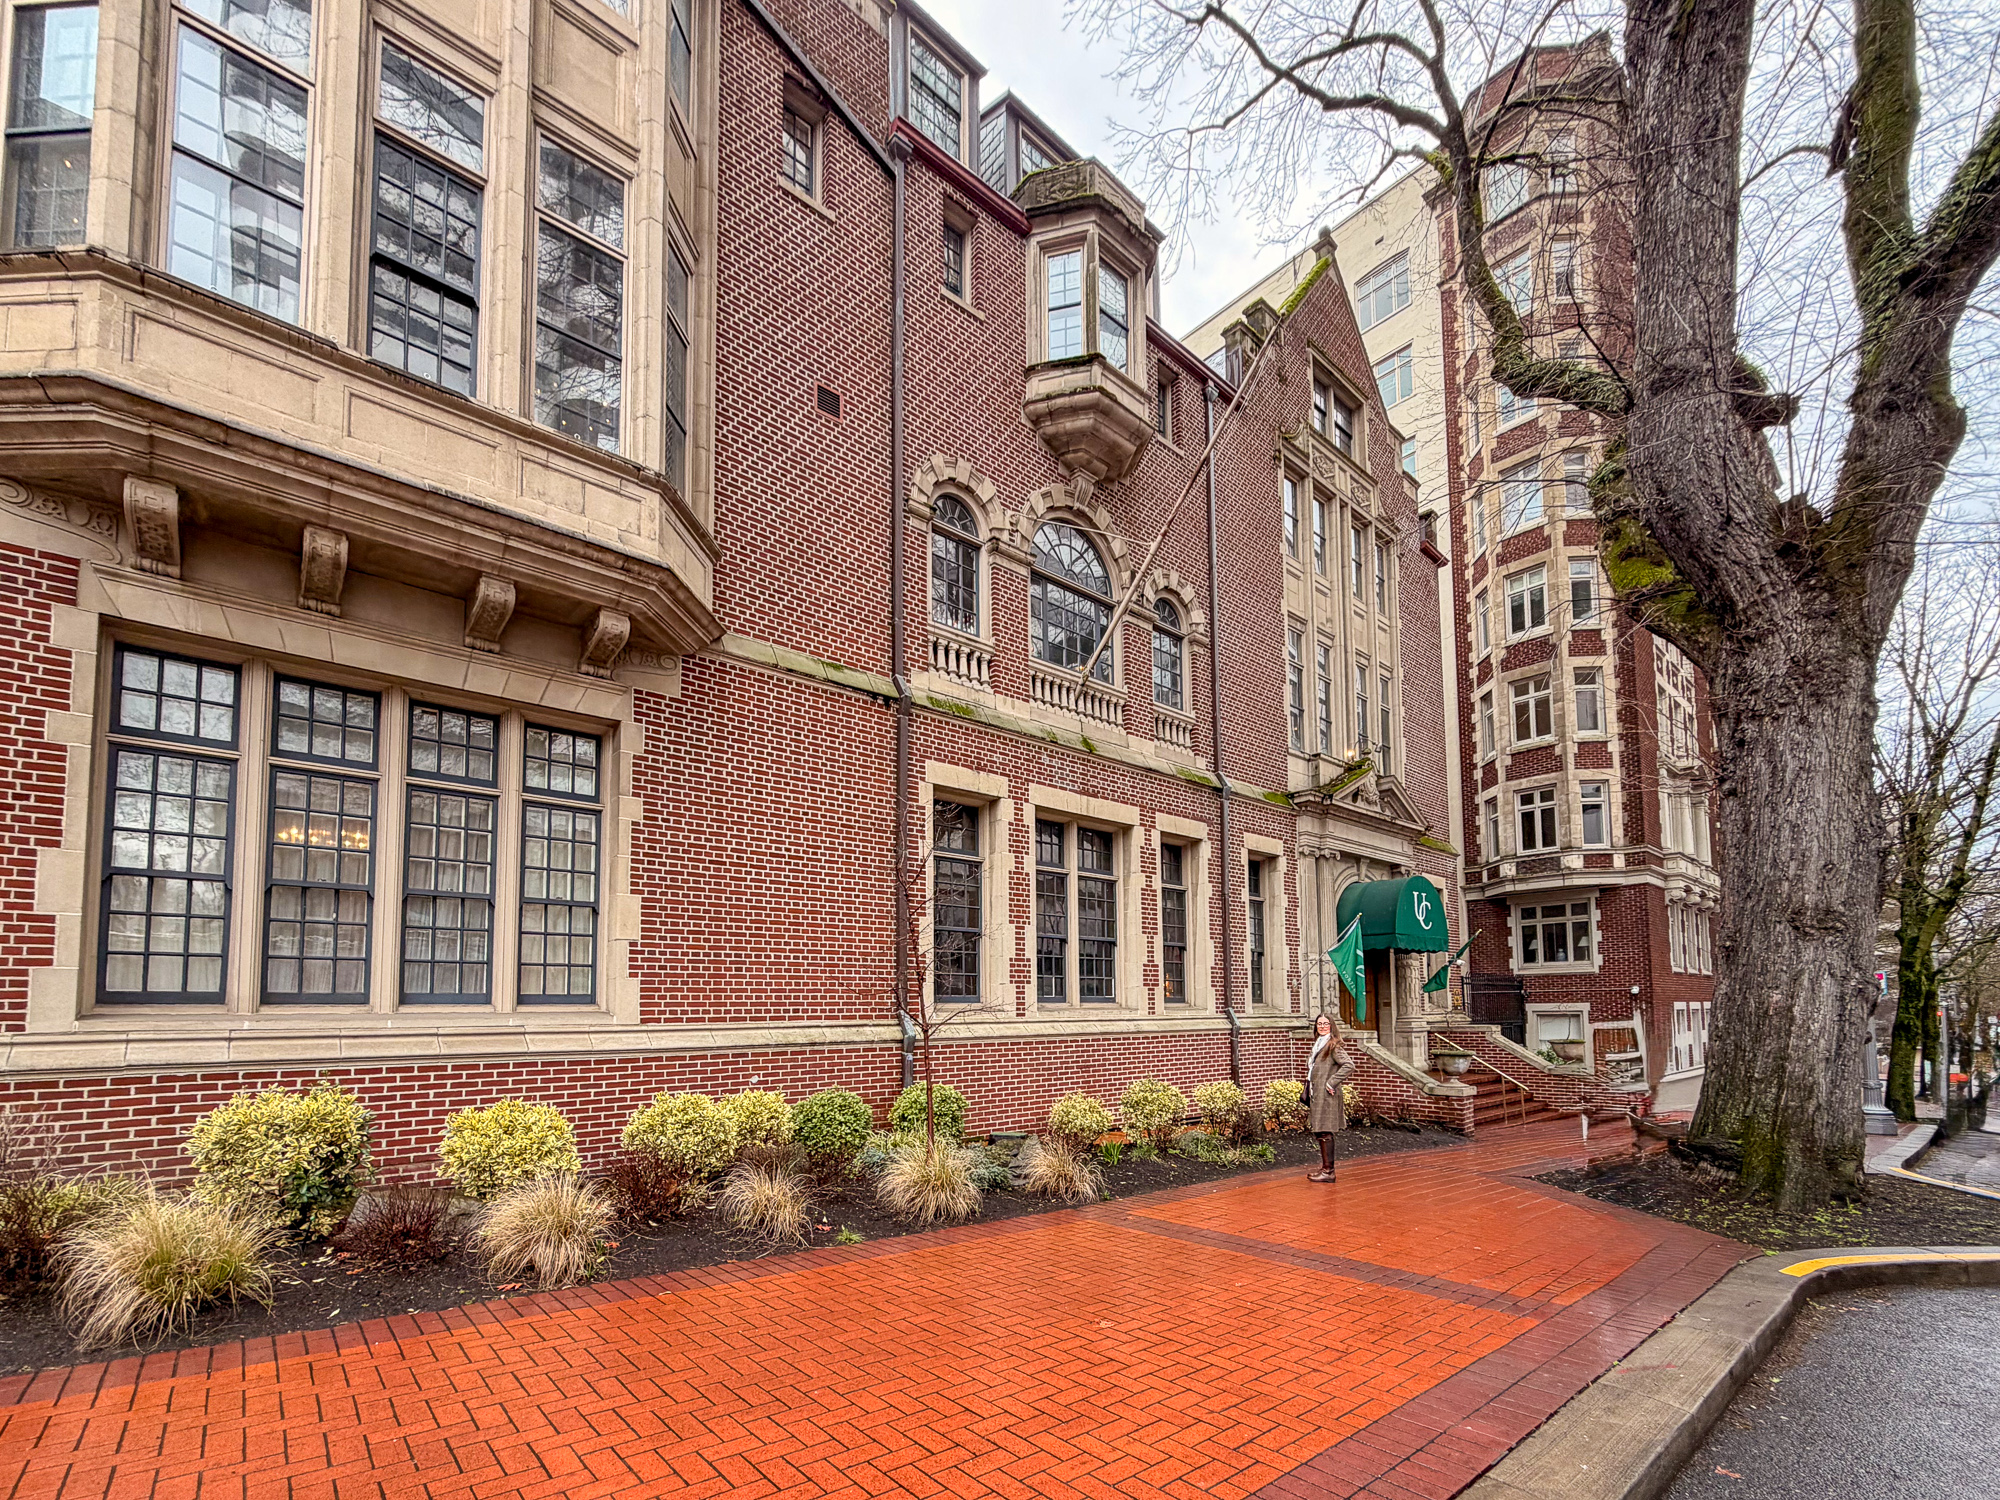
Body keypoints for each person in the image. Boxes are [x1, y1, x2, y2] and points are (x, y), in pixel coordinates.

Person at [1306, 1012, 1356, 1183]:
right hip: (1317, 1092)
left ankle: (1329, 1171)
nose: (1322, 1026)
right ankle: (1326, 1168)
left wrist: (1331, 1082)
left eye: (1325, 1024)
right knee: (1320, 1130)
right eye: (1319, 1024)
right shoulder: (1319, 1044)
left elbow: (1349, 1065)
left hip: (1327, 1094)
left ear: (1331, 1026)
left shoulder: (1333, 1045)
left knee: (1325, 1129)